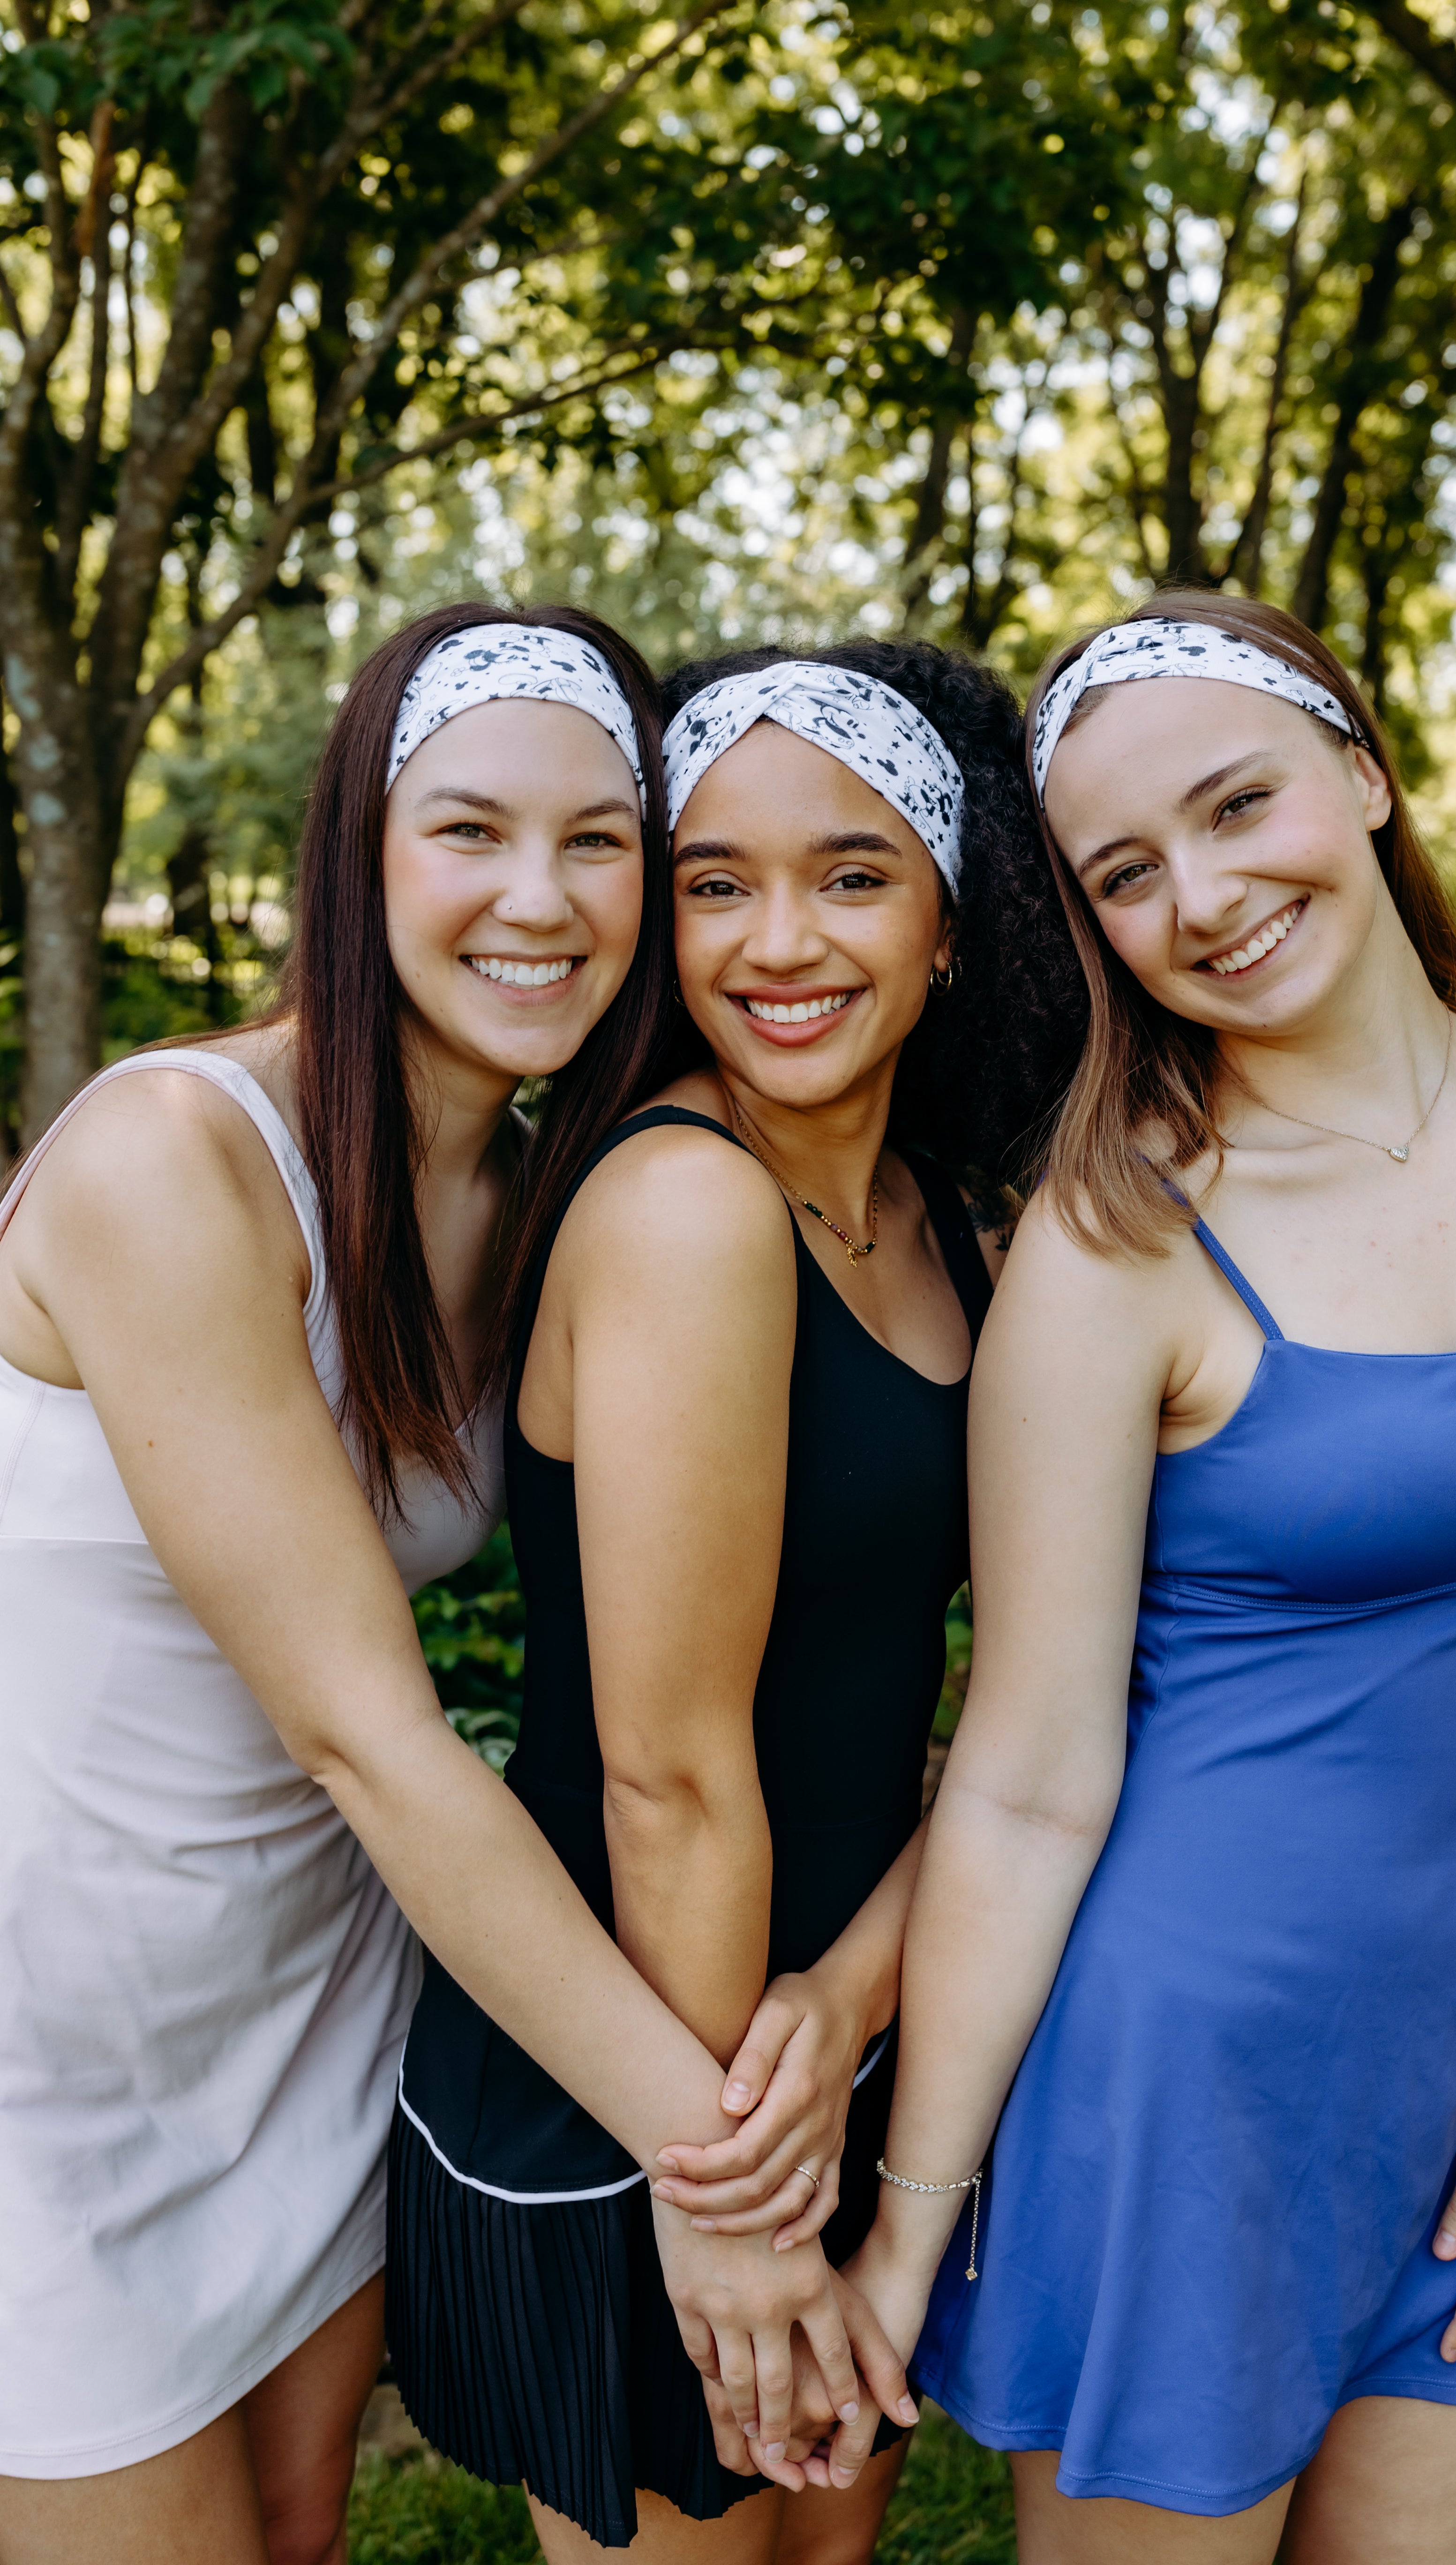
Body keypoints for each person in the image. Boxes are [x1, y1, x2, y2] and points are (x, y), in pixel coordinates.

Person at [0, 608, 875, 2565]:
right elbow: (372, 1737)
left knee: (296, 2534)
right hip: (49, 2038)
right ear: (362, 855)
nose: (539, 900)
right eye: (470, 831)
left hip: (307, 1985)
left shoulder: (539, 1188)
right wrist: (723, 2182)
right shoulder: (173, 1160)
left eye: (601, 842)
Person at [842, 594, 1456, 2564]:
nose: (1206, 898)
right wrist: (909, 2225)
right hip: (1184, 2086)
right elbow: (1030, 1775)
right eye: (1127, 873)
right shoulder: (1118, 1242)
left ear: (1367, 774)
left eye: (1239, 806)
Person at [385, 643, 1036, 2561]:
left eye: (853, 876)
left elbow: (1008, 1710)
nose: (779, 941)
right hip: (652, 2066)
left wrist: (853, 2001)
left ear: (949, 926)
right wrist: (728, 2190)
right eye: (715, 883)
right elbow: (668, 1777)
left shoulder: (953, 1224)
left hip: (838, 2027)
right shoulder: (685, 1208)